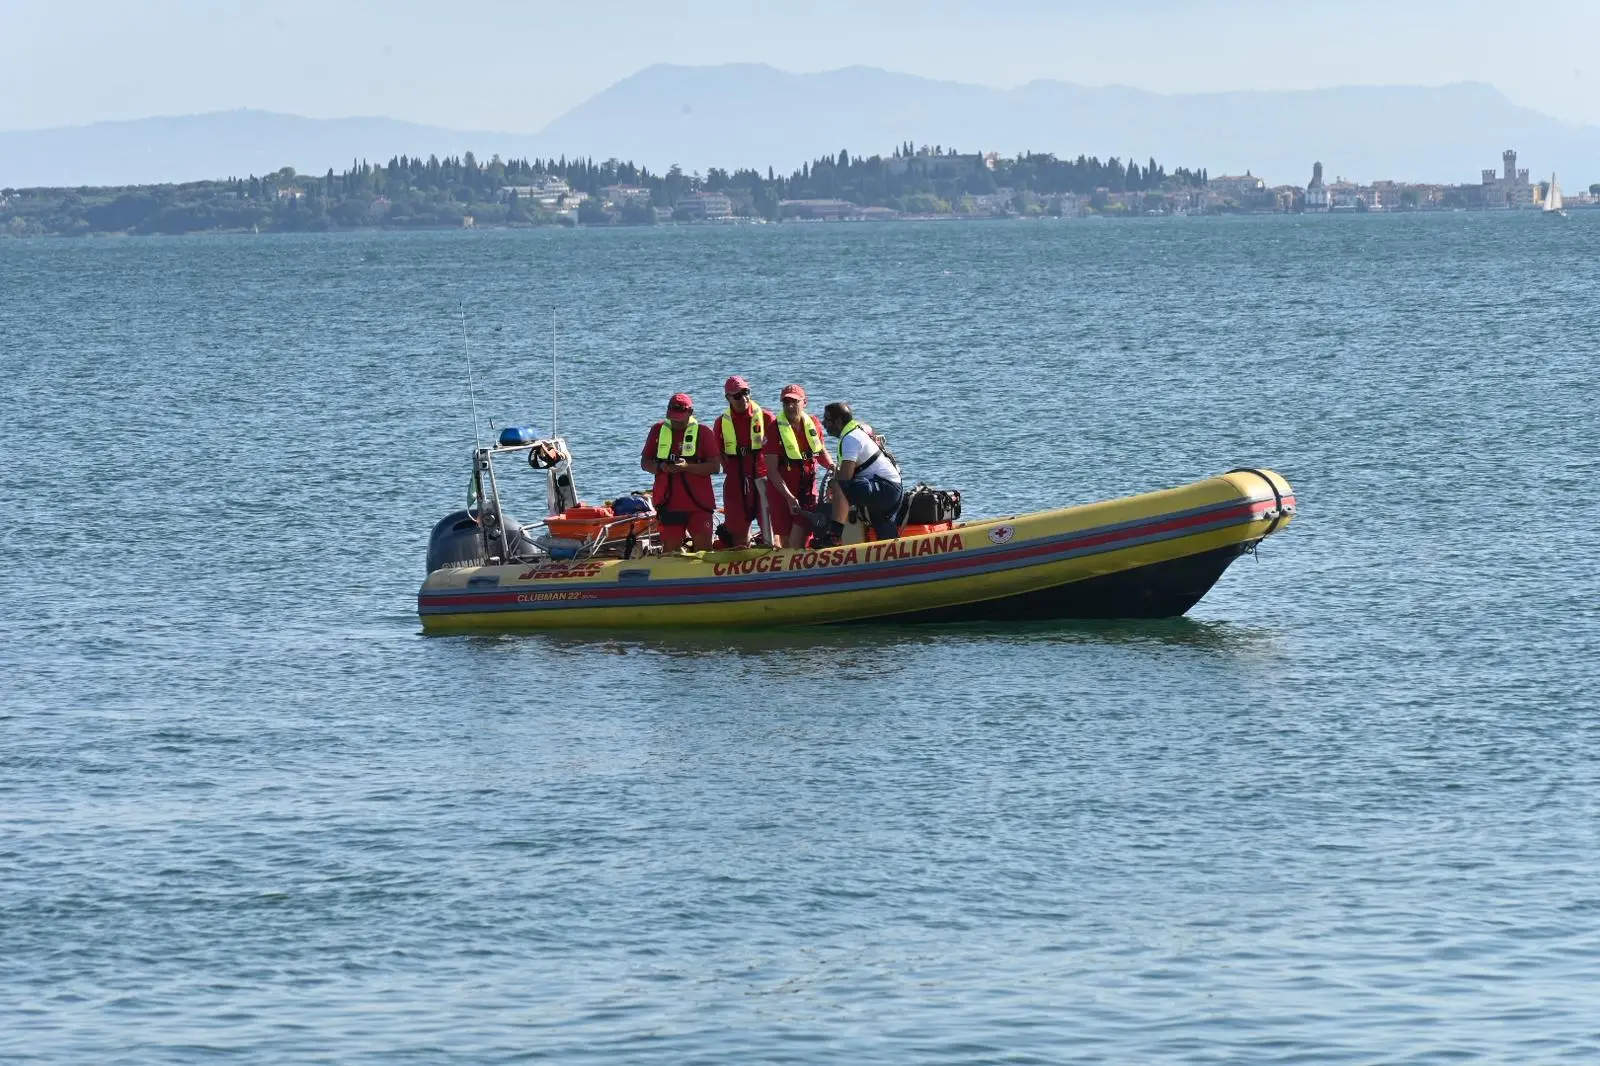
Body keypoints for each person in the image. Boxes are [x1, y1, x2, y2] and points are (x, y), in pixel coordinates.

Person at [640, 392, 720, 551]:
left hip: (699, 506)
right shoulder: (657, 430)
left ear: (690, 413)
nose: (675, 422)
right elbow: (645, 462)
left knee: (704, 549)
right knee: (670, 552)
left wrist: (686, 467)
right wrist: (660, 467)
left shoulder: (703, 432)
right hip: (669, 505)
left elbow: (715, 467)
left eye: (679, 418)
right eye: (672, 418)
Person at [762, 383, 833, 548]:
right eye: (786, 402)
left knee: (799, 539)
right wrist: (788, 497)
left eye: (795, 401)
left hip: (807, 491)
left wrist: (832, 468)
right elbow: (771, 471)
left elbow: (821, 452)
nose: (790, 406)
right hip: (782, 493)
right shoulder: (774, 429)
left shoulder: (813, 423)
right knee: (787, 543)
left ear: (804, 402)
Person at [822, 401, 903, 544]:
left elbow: (844, 478)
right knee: (883, 531)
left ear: (839, 421)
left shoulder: (850, 438)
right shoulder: (855, 431)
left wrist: (832, 485)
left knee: (839, 486)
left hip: (886, 489)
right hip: (892, 488)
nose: (823, 424)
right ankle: (892, 552)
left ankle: (833, 536)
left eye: (827, 420)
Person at [712, 374, 770, 549]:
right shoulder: (721, 422)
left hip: (762, 476)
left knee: (769, 522)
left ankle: (773, 552)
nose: (743, 398)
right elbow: (718, 454)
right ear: (728, 398)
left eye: (746, 392)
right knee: (738, 529)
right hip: (736, 478)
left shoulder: (766, 417)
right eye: (737, 395)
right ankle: (742, 556)